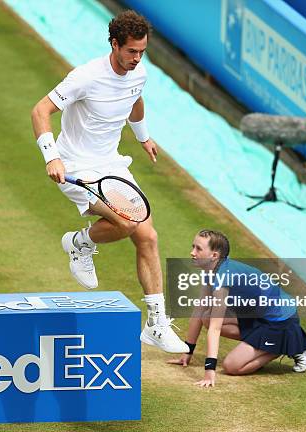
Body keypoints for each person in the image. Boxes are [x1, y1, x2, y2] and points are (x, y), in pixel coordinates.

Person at [30, 10, 188, 354]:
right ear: (114, 44)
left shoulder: (138, 73)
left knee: (148, 235)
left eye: (142, 52)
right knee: (128, 222)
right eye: (131, 51)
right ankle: (80, 242)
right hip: (74, 165)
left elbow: (135, 100)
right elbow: (39, 111)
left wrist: (144, 137)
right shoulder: (85, 77)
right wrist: (50, 156)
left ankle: (156, 324)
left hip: (111, 163)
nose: (137, 59)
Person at [168, 230, 306, 386]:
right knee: (206, 317)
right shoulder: (211, 268)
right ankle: (264, 344)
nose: (192, 253)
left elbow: (215, 329)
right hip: (256, 315)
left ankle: (287, 345)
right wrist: (187, 352)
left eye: (198, 249)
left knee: (232, 366)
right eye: (193, 247)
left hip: (281, 322)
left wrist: (209, 372)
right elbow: (199, 310)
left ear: (214, 256)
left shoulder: (225, 275)